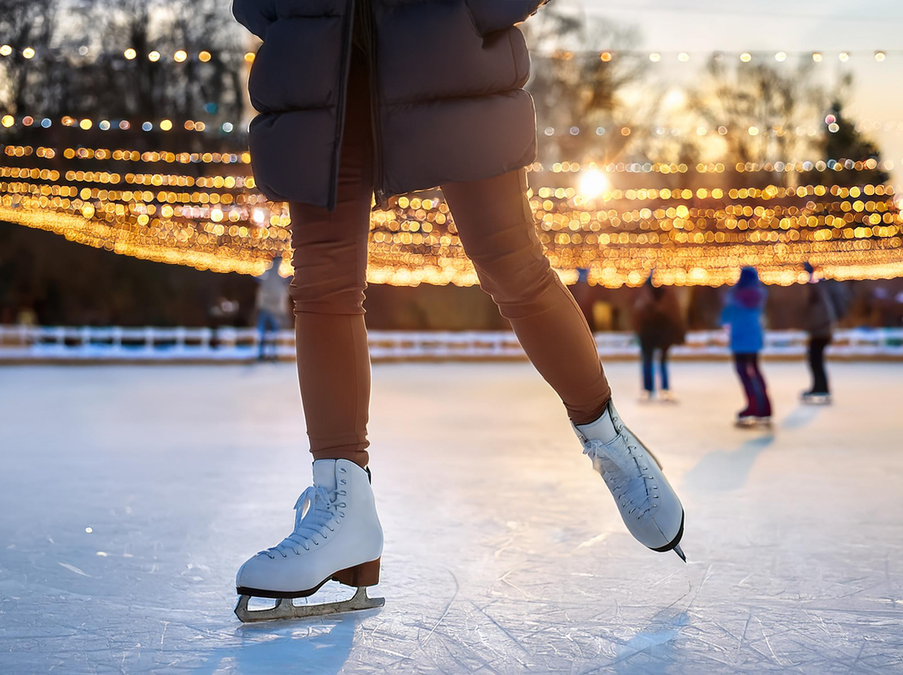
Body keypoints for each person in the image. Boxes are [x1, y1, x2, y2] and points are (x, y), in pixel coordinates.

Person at [229, 0, 686, 622]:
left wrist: (470, 11)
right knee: (321, 288)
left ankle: (610, 442)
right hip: (319, 60)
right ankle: (341, 508)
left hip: (443, 43)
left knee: (512, 267)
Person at [721, 267, 772, 426]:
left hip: (739, 339)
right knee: (755, 371)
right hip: (754, 339)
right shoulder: (759, 295)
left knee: (743, 372)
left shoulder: (735, 295)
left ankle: (753, 405)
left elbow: (726, 316)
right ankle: (764, 406)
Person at [632, 276, 686, 402]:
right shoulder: (651, 298)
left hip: (658, 335)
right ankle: (655, 389)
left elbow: (637, 318)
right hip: (652, 335)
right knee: (655, 362)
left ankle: (656, 389)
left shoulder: (648, 298)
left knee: (656, 362)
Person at [801, 262, 843, 404]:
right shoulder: (819, 295)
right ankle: (819, 387)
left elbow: (814, 286)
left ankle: (821, 388)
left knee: (816, 361)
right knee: (815, 361)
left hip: (821, 333)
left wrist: (810, 274)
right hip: (820, 332)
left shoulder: (819, 295)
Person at [255, 256, 292, 361]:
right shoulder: (274, 278)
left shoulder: (268, 276)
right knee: (269, 334)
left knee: (268, 334)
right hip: (271, 310)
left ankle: (267, 354)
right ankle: (266, 354)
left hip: (268, 309)